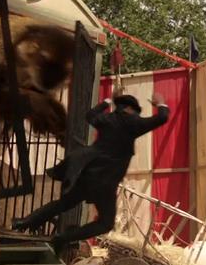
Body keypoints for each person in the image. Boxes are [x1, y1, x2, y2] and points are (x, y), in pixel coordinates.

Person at [12, 92, 169, 251]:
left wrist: (107, 102)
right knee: (105, 223)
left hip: (86, 174)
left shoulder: (106, 119)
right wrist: (160, 103)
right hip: (105, 182)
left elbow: (90, 115)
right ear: (129, 108)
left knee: (63, 204)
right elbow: (162, 118)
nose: (136, 114)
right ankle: (63, 237)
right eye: (136, 111)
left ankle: (24, 222)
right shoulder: (133, 123)